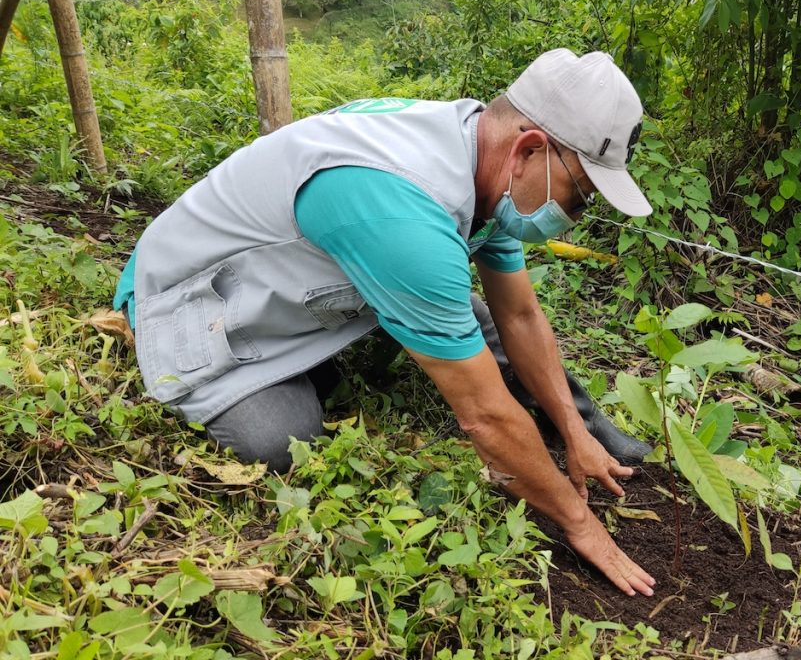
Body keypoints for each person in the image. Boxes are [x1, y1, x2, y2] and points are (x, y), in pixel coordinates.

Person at [113, 48, 657, 596]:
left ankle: (591, 430)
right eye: (581, 194)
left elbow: (518, 314)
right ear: (529, 149)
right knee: (277, 438)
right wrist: (580, 525)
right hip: (198, 292)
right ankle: (300, 370)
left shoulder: (480, 153)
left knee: (467, 316)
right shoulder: (404, 206)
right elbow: (485, 418)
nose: (577, 214)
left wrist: (571, 429)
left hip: (322, 273)